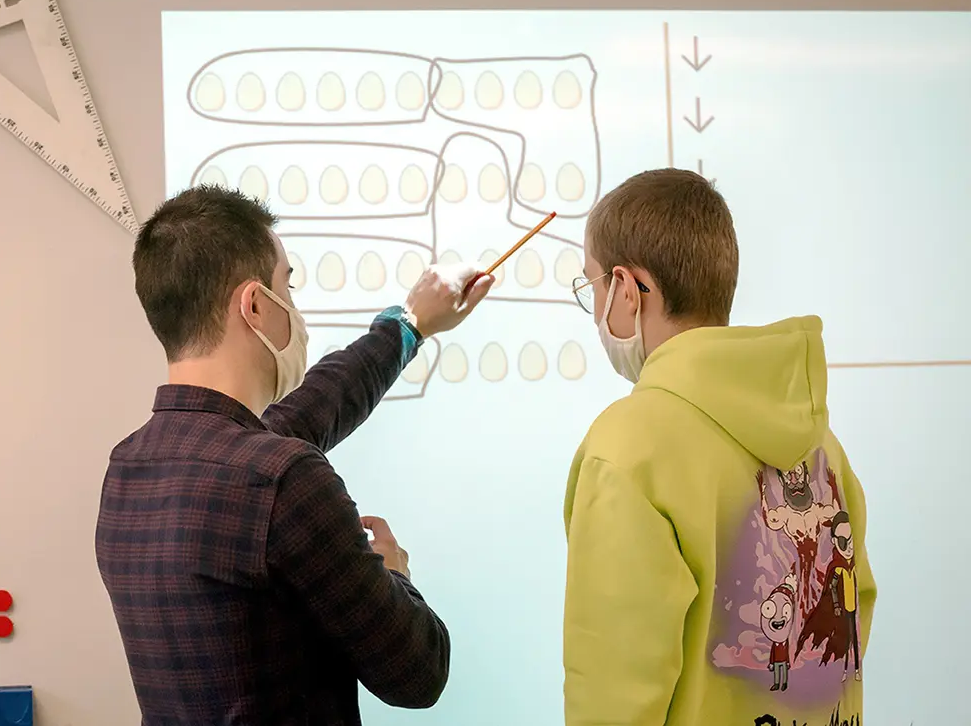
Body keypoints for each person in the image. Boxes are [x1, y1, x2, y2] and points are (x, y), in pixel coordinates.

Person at [95, 184, 493, 725]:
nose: (295, 307)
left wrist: (409, 324)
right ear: (255, 304)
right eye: (289, 284)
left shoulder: (130, 468)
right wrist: (395, 574)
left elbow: (314, 408)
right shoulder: (281, 479)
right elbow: (418, 673)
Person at [562, 169, 876, 725]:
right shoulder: (823, 445)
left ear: (627, 290)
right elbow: (855, 611)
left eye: (591, 288)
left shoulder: (628, 448)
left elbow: (614, 688)